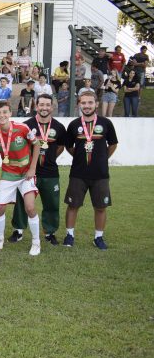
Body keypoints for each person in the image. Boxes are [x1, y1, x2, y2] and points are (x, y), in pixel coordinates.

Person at [9, 94, 67, 247]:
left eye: (47, 105)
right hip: (28, 173)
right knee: (22, 202)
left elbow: (61, 147)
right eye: (41, 105)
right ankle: (18, 230)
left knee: (51, 203)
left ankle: (49, 232)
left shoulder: (59, 127)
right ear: (36, 106)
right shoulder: (26, 125)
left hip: (50, 173)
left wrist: (50, 158)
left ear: (52, 107)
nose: (44, 108)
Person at [63, 91, 118, 250]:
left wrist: (102, 158)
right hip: (78, 174)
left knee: (100, 207)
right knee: (73, 205)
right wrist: (79, 157)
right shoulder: (74, 125)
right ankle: (69, 235)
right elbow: (69, 146)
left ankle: (98, 238)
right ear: (79, 104)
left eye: (90, 102)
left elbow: (113, 144)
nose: (87, 106)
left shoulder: (106, 123)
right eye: (83, 103)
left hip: (100, 174)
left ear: (96, 104)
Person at [0, 101, 42, 256]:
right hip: (8, 174)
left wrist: (32, 168)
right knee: (0, 208)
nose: (2, 115)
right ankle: (0, 238)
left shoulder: (23, 128)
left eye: (4, 112)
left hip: (26, 174)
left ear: (10, 113)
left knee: (30, 208)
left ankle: (36, 242)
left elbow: (37, 144)